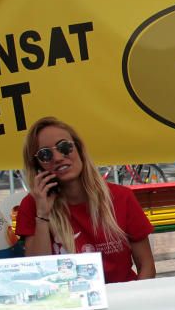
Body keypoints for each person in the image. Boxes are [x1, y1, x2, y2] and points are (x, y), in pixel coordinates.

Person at [17, 117, 155, 283]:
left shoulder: (121, 197)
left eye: (64, 147)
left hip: (122, 299)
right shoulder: (32, 206)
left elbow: (146, 265)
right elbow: (38, 275)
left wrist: (134, 300)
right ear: (38, 166)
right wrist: (42, 215)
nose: (58, 157)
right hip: (69, 304)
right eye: (45, 154)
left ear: (79, 150)